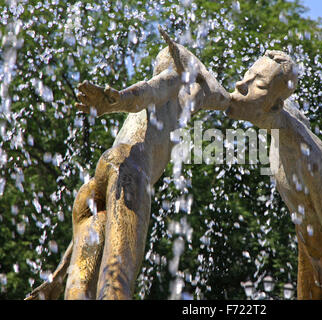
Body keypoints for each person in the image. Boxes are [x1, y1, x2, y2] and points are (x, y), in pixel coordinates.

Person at [26, 29, 230, 300]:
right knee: (115, 288)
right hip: (130, 175)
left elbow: (220, 98)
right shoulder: (173, 84)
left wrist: (58, 275)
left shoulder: (183, 97)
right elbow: (148, 92)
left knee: (79, 293)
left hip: (96, 184)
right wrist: (116, 101)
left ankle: (61, 284)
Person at [226, 50, 322, 299]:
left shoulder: (309, 159)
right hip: (306, 256)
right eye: (247, 75)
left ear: (276, 106)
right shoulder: (277, 120)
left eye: (258, 84)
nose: (240, 85)